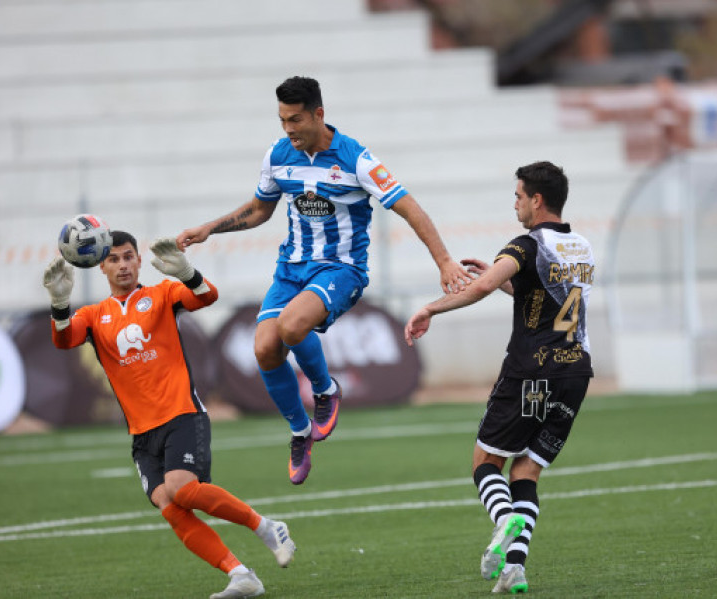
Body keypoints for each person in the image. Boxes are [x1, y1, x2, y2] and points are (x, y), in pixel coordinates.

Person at [176, 76, 470, 485]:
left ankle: (325, 389)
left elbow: (411, 209)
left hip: (341, 269)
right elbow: (261, 210)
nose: (289, 129)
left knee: (292, 326)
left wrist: (444, 262)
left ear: (319, 113)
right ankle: (300, 432)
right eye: (282, 120)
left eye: (296, 119)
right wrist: (211, 227)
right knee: (263, 349)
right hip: (291, 269)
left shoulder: (355, 159)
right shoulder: (278, 154)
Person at [43, 231, 296, 599]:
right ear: (101, 266)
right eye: (114, 259)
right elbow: (64, 340)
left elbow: (207, 295)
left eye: (129, 256)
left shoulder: (160, 295)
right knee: (168, 502)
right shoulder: (93, 316)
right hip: (142, 432)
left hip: (182, 413)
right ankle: (241, 575)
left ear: (139, 260)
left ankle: (267, 527)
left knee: (181, 487)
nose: (123, 264)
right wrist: (59, 301)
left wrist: (186, 271)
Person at [404, 161, 595, 594]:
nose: (515, 205)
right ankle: (515, 568)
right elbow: (549, 297)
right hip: (576, 372)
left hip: (532, 371)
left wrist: (431, 308)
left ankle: (503, 519)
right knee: (526, 471)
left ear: (537, 200)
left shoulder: (525, 245)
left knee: (486, 463)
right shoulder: (582, 246)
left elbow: (482, 287)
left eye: (518, 196)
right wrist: (509, 282)